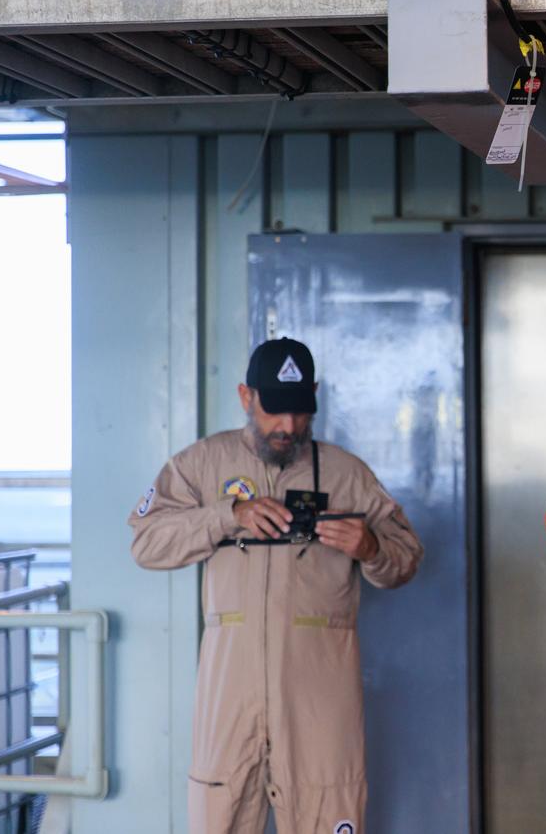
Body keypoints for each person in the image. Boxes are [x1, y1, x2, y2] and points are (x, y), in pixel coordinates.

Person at [129, 337, 424, 834]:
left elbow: (408, 557)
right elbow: (146, 542)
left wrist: (371, 547)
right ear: (246, 397)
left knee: (325, 808)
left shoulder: (347, 475)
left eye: (300, 412)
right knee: (221, 814)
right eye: (274, 411)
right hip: (230, 696)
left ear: (314, 398)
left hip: (318, 701)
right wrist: (227, 516)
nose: (287, 427)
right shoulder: (201, 466)